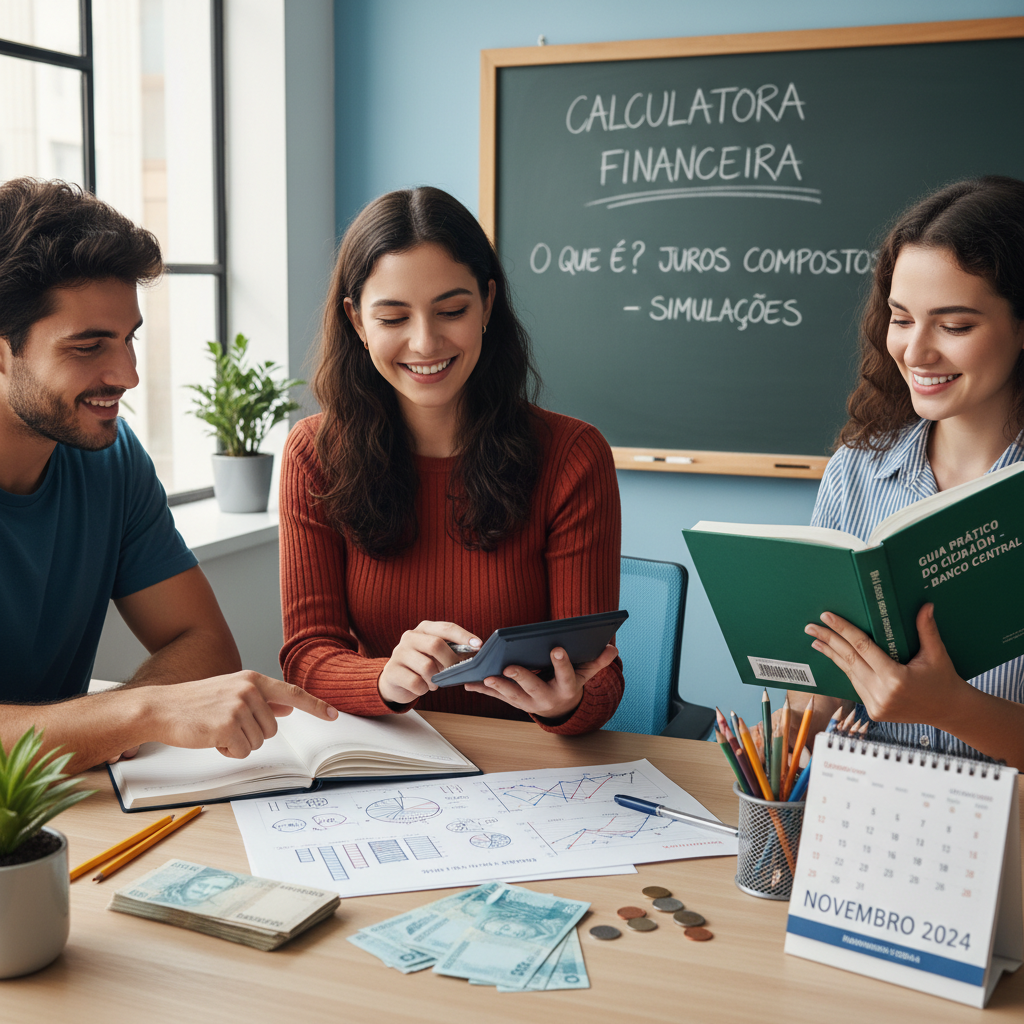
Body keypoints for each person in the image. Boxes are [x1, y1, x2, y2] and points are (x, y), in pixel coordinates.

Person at [0, 178, 337, 773]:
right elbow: (166, 700)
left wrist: (100, 724)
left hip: (58, 805)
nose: (127, 374)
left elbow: (206, 646)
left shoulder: (112, 460)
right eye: (88, 346)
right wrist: (144, 713)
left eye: (129, 339)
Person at [280, 186, 623, 734]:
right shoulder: (313, 454)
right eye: (393, 318)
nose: (425, 342)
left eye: (452, 310)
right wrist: (384, 681)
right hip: (390, 762)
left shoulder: (572, 457)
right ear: (356, 321)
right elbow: (308, 656)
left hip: (528, 775)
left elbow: (600, 677)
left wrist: (564, 703)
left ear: (487, 303)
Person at [788, 176, 1024, 770]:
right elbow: (816, 699)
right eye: (900, 318)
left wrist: (949, 707)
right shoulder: (856, 474)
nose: (915, 352)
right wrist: (804, 712)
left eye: (955, 325)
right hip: (867, 823)